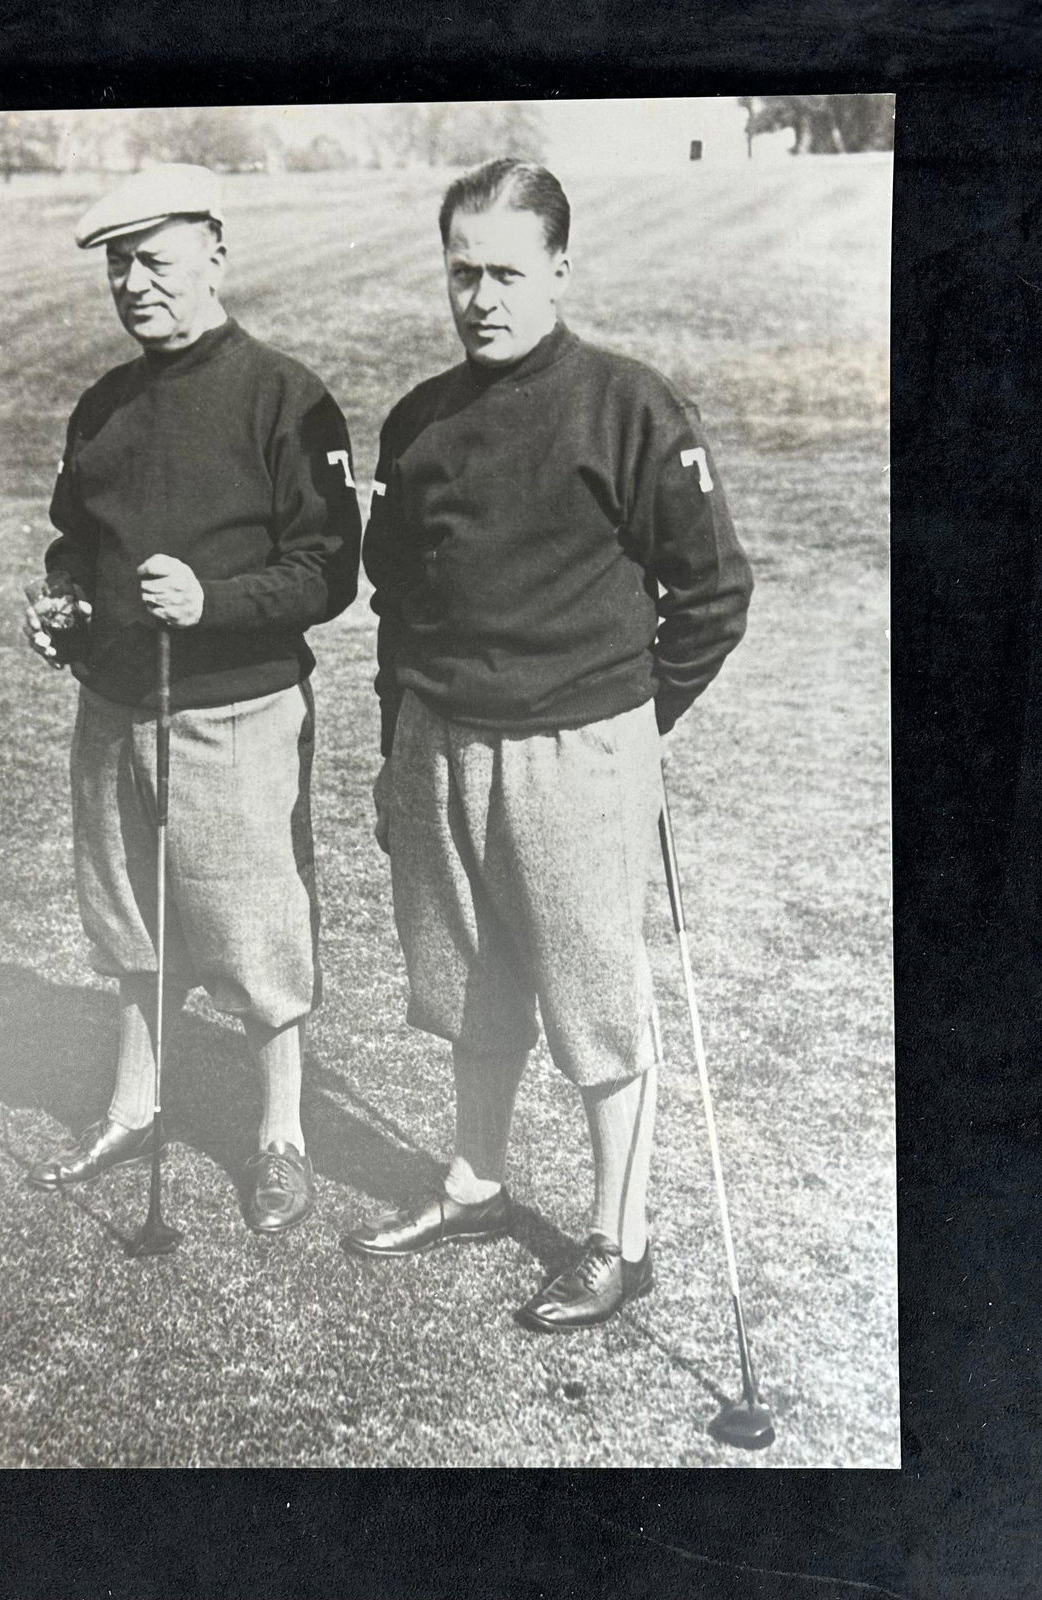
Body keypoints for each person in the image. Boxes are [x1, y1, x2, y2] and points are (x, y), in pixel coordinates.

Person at [342, 159, 754, 1329]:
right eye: (462, 272)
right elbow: (398, 607)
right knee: (468, 985)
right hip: (439, 742)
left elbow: (714, 592)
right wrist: (391, 750)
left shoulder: (628, 403)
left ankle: (621, 1238)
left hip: (579, 747)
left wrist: (630, 718)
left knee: (592, 1000)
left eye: (507, 272)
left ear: (560, 269)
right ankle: (475, 1183)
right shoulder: (418, 419)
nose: (481, 296)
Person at [22, 164, 362, 1236]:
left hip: (235, 706)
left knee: (254, 930)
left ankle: (280, 1138)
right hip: (114, 705)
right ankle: (133, 1109)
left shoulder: (285, 395)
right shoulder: (102, 404)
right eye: (117, 265)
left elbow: (328, 567)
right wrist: (65, 603)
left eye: (155, 259)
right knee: (129, 921)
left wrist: (212, 600)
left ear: (216, 253)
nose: (133, 283)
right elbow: (76, 539)